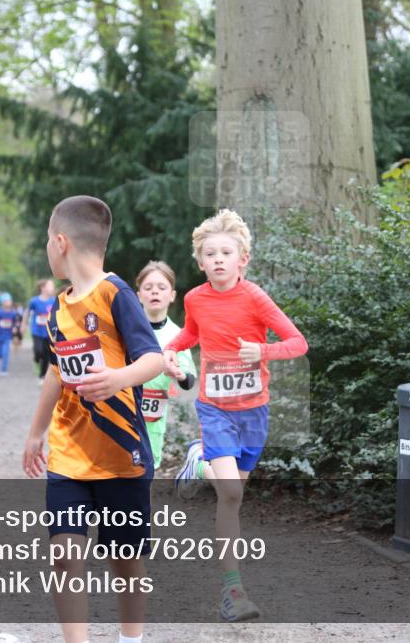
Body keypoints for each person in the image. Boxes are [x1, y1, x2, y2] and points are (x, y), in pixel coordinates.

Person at [22, 195, 163, 643]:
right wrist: (35, 433)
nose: (47, 247)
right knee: (64, 555)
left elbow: (153, 360)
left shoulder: (116, 294)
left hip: (121, 454)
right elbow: (55, 371)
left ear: (61, 242)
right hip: (69, 453)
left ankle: (131, 638)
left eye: (48, 239)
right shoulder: (58, 308)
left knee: (125, 558)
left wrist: (117, 378)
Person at [164, 209, 308, 622]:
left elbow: (298, 343)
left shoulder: (256, 298)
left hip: (253, 412)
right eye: (211, 253)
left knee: (233, 494)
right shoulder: (194, 298)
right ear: (201, 261)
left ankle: (197, 461)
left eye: (227, 252)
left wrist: (262, 351)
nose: (219, 259)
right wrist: (172, 351)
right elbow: (192, 332)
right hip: (214, 408)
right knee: (230, 494)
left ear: (242, 258)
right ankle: (232, 591)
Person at [135, 261, 197, 469]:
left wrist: (179, 375)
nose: (155, 292)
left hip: (152, 423)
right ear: (138, 295)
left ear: (172, 295)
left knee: (143, 478)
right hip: (120, 415)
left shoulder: (179, 336)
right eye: (148, 287)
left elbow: (189, 383)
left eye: (162, 288)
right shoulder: (124, 330)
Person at [23, 278, 58, 384]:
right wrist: (23, 324)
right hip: (37, 331)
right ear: (43, 288)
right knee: (39, 351)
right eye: (50, 285)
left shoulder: (54, 300)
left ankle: (42, 376)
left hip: (49, 332)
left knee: (47, 354)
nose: (52, 288)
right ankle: (36, 359)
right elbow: (27, 312)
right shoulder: (34, 301)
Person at [0, 296, 21, 376]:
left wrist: (15, 327)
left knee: (5, 352)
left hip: (7, 336)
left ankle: (3, 370)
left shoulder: (13, 313)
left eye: (9, 301)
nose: (8, 303)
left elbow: (16, 322)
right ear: (3, 303)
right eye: (6, 301)